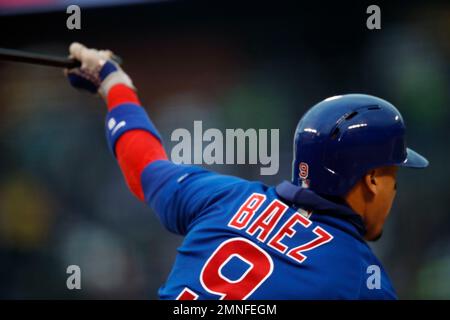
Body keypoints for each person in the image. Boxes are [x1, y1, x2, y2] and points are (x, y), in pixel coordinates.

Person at [66, 43, 428, 299]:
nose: (394, 191)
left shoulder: (224, 196)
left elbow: (142, 164)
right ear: (371, 181)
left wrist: (114, 84)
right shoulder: (362, 283)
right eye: (392, 177)